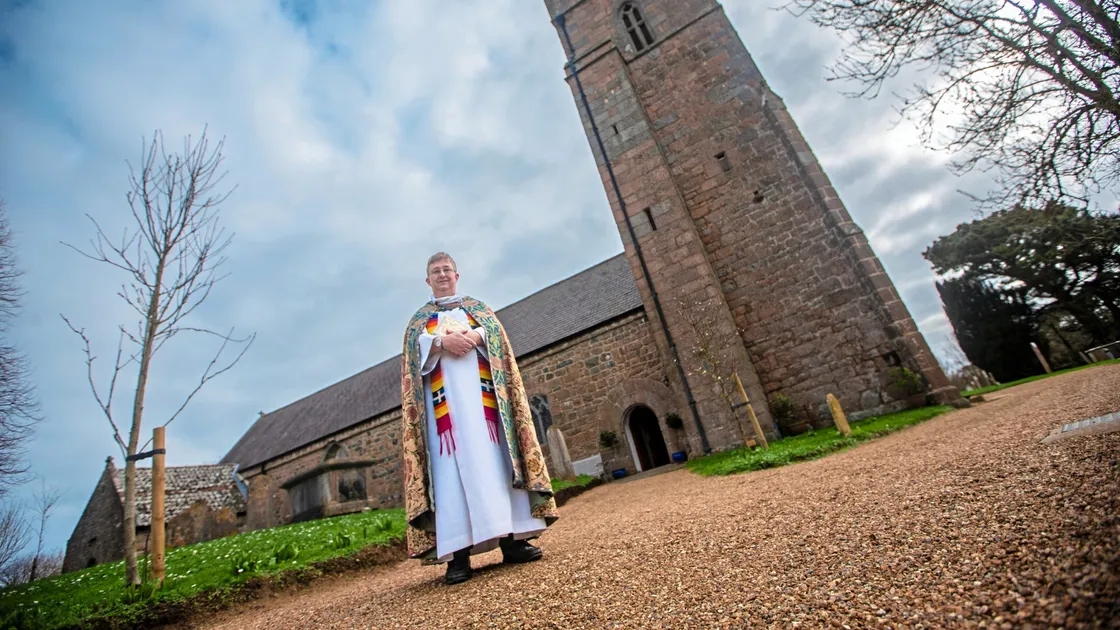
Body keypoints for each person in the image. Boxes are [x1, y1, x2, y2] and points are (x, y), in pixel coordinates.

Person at [400, 252, 559, 584]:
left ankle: (512, 543)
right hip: (445, 425)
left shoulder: (480, 311)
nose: (442, 275)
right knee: (450, 483)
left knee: (497, 469)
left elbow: (497, 339)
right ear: (427, 281)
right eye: (435, 272)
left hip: (489, 415)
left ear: (457, 275)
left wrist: (476, 336)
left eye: (447, 270)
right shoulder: (418, 322)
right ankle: (458, 557)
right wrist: (440, 341)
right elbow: (412, 365)